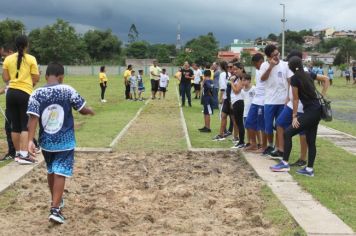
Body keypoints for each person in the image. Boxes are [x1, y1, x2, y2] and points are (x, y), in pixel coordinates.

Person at [27, 62, 94, 224]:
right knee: (61, 172)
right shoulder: (67, 90)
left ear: (45, 77)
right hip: (65, 141)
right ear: (61, 77)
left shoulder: (36, 94)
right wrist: (90, 111)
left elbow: (33, 118)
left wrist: (30, 140)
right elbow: (82, 108)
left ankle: (55, 201)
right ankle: (55, 210)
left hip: (46, 142)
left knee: (51, 170)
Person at [270, 56, 329, 177]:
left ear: (291, 67)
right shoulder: (309, 74)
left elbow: (295, 100)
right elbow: (326, 79)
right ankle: (309, 170)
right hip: (316, 111)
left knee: (288, 133)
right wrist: (322, 96)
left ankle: (284, 163)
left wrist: (294, 116)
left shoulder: (294, 79)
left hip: (311, 112)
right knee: (310, 141)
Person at [2, 35, 40, 164]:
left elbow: (6, 78)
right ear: (26, 45)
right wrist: (28, 85)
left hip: (11, 93)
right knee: (25, 125)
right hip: (25, 93)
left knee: (15, 126)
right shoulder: (31, 59)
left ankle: (18, 154)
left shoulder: (7, 59)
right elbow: (36, 77)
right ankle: (24, 155)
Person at [260, 44, 293, 155]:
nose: (277, 56)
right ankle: (270, 145)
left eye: (277, 54)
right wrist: (271, 67)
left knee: (280, 126)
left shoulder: (285, 65)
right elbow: (263, 79)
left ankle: (279, 148)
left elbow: (289, 81)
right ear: (269, 57)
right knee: (268, 126)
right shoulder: (264, 65)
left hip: (283, 100)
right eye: (274, 55)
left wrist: (288, 98)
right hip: (269, 100)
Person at [245, 53, 266, 152]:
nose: (254, 66)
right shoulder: (257, 71)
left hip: (263, 102)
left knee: (261, 125)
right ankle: (253, 144)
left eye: (255, 64)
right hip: (255, 101)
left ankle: (262, 145)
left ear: (261, 62)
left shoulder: (266, 69)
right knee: (249, 122)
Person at [212, 61, 231, 141]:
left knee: (222, 116)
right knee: (230, 117)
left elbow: (223, 88)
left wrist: (220, 98)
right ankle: (227, 132)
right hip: (230, 97)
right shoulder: (229, 74)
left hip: (226, 97)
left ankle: (223, 133)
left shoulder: (222, 74)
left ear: (220, 66)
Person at [230, 63, 246, 148]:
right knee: (237, 122)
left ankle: (241, 141)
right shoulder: (237, 78)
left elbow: (236, 91)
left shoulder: (241, 78)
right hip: (235, 101)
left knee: (239, 122)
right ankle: (240, 141)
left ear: (241, 69)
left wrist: (231, 82)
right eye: (234, 69)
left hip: (239, 101)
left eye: (237, 69)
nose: (235, 71)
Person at [240, 74, 255, 149]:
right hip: (245, 112)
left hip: (252, 111)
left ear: (249, 80)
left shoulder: (253, 89)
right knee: (247, 127)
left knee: (254, 128)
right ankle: (249, 142)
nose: (243, 82)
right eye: (242, 80)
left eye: (244, 80)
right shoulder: (242, 90)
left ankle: (257, 143)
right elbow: (244, 100)